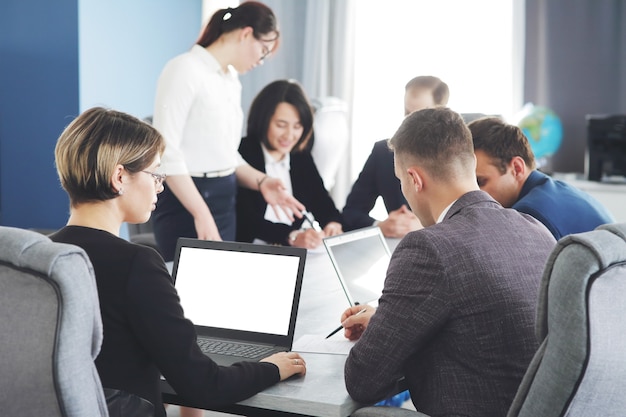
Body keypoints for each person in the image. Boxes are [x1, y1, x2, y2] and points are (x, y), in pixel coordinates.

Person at [50, 107, 306, 417]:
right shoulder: (136, 263)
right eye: (155, 174)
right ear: (120, 176)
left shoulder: (42, 254)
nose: (160, 186)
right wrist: (271, 368)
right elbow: (205, 385)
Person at [339, 107, 556, 417]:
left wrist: (388, 337)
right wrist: (390, 322)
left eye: (401, 180)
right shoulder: (534, 228)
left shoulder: (429, 247)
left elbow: (363, 380)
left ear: (414, 179)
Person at [151, 1, 304, 262]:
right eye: (263, 50)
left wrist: (262, 181)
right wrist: (201, 214)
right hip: (187, 200)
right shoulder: (185, 69)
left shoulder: (231, 80)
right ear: (246, 34)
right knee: (186, 293)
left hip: (224, 197)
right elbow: (165, 154)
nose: (261, 60)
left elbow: (227, 154)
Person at [469, 116, 615, 240]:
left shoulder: (528, 215)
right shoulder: (561, 191)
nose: (472, 194)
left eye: (480, 182)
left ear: (517, 168)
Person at [237, 79, 343, 249]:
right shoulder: (242, 155)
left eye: (297, 126)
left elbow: (321, 201)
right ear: (263, 120)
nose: (289, 135)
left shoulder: (300, 157)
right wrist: (291, 236)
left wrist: (332, 223)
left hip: (293, 252)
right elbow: (245, 221)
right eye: (281, 125)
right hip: (251, 251)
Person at [341, 75, 449, 238]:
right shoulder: (383, 153)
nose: (410, 122)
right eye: (408, 112)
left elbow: (478, 216)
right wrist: (380, 226)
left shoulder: (460, 156)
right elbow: (351, 213)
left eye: (421, 114)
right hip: (399, 249)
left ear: (441, 111)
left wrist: (428, 225)